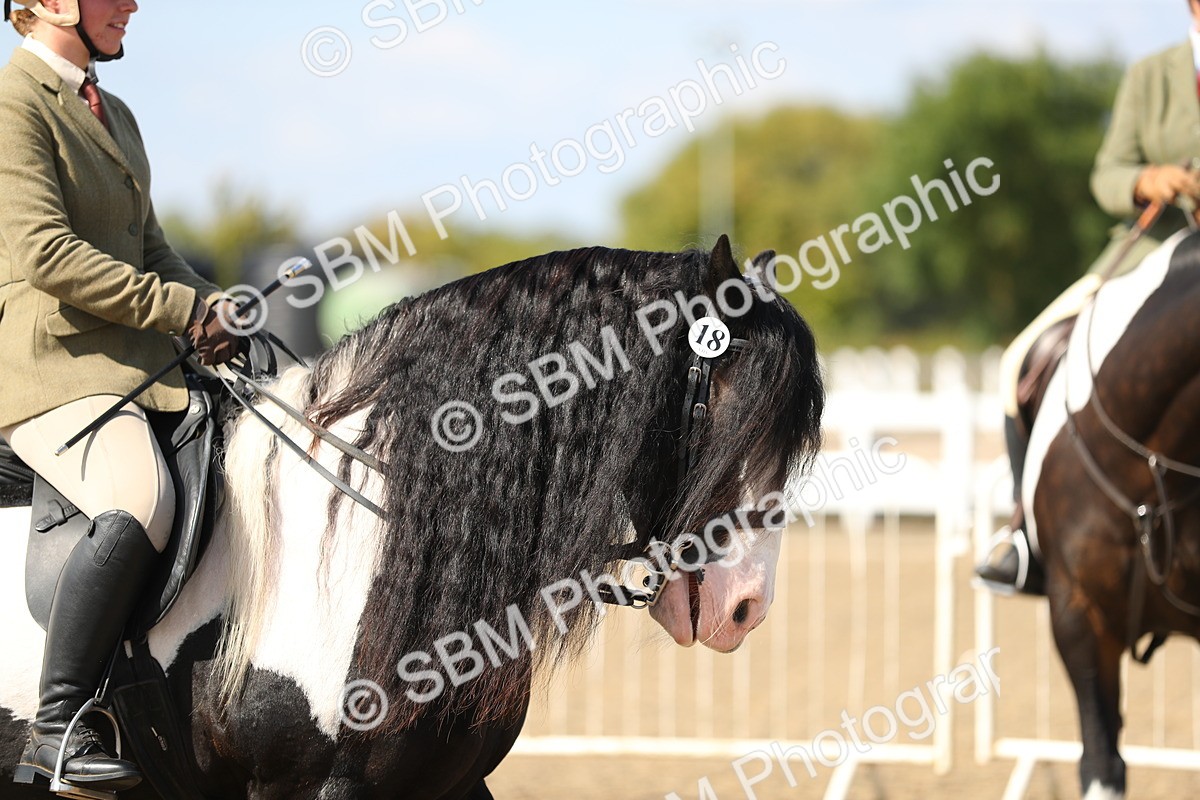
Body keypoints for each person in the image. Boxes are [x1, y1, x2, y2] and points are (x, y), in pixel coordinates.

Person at [0, 0, 243, 790]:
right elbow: (48, 253)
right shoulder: (12, 104)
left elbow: (151, 247)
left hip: (140, 365)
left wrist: (212, 303)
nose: (132, 4)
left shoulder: (115, 112)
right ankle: (56, 728)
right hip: (54, 367)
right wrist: (180, 309)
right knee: (140, 497)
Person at [976, 0, 1200, 594]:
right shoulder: (1150, 76)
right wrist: (1146, 180)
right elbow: (1108, 173)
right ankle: (1025, 535)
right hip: (1150, 254)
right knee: (1018, 362)